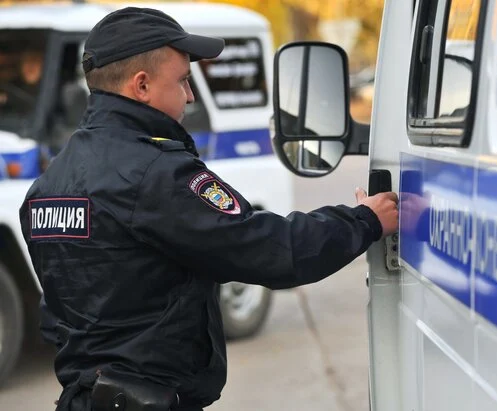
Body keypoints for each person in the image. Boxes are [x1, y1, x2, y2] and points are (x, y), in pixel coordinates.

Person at [18, 7, 398, 411]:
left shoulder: (50, 184)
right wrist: (365, 220)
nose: (191, 95)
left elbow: (56, 316)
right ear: (142, 85)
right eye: (183, 80)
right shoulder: (154, 173)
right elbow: (270, 249)